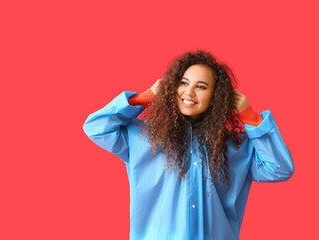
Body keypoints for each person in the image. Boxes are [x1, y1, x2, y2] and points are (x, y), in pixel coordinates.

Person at [82, 50, 294, 240]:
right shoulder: (144, 136)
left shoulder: (236, 147)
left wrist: (252, 118)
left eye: (201, 86)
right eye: (183, 83)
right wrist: (144, 98)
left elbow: (280, 169)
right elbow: (96, 127)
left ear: (216, 96)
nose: (189, 93)